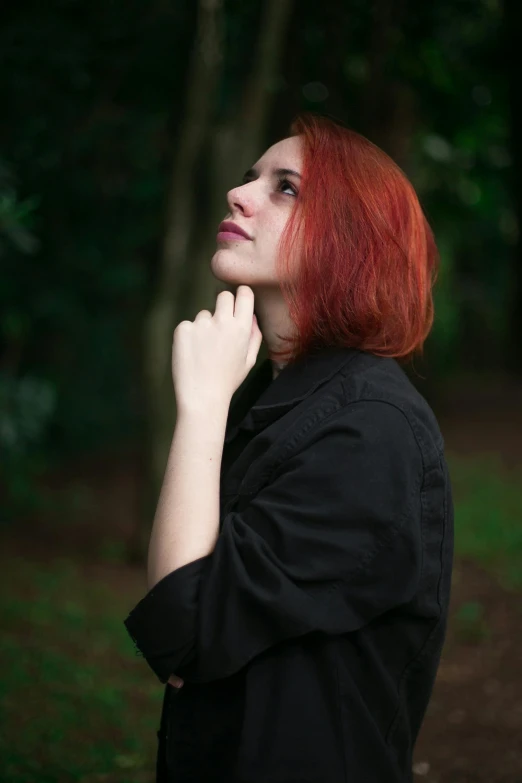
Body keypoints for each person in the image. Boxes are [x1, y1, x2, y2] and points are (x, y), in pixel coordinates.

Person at [124, 112, 454, 783]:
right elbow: (187, 617)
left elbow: (181, 632)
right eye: (250, 179)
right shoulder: (274, 402)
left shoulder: (370, 429)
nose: (238, 195)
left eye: (285, 188)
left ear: (351, 239)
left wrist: (201, 406)